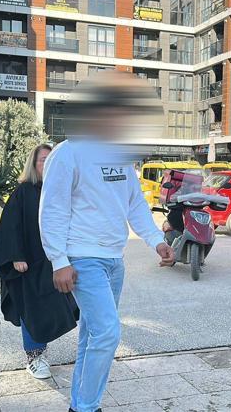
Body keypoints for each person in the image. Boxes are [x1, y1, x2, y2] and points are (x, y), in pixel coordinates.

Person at [39, 72, 175, 412]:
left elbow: (134, 204)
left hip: (115, 260)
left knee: (92, 335)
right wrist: (59, 260)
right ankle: (86, 407)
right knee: (108, 333)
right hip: (83, 258)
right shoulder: (67, 153)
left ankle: (80, 403)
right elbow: (52, 210)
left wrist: (156, 240)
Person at [0, 144, 79, 380]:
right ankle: (34, 357)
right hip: (30, 264)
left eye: (52, 159)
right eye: (43, 159)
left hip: (56, 262)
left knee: (57, 308)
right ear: (33, 164)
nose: (48, 163)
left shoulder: (63, 191)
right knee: (32, 310)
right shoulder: (24, 192)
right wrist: (16, 256)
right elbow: (10, 225)